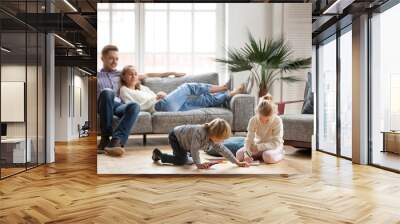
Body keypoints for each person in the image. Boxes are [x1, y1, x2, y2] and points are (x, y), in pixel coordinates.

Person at [97, 45, 185, 156]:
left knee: (134, 106)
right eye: (111, 58)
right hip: (104, 104)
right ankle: (105, 138)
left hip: (118, 105)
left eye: (117, 58)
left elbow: (147, 74)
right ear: (102, 58)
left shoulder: (120, 74)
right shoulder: (96, 76)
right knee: (107, 92)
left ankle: (115, 142)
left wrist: (171, 73)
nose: (114, 61)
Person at [118, 65, 245, 112]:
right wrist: (156, 98)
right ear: (123, 77)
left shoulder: (143, 88)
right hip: (159, 107)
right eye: (130, 74)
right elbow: (133, 107)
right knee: (188, 87)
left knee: (202, 101)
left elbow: (151, 80)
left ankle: (229, 94)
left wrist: (160, 93)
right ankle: (223, 87)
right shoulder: (124, 90)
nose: (134, 76)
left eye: (135, 73)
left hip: (166, 104)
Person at [151, 118, 250, 169]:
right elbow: (194, 149)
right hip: (176, 138)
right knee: (181, 160)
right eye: (221, 139)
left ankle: (182, 155)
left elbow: (223, 150)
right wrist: (198, 164)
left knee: (190, 160)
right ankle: (159, 155)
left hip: (187, 142)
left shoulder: (213, 138)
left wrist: (237, 162)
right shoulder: (199, 132)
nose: (222, 142)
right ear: (214, 135)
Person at [236, 94, 285, 164]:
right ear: (257, 113)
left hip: (273, 146)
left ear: (274, 114)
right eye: (260, 119)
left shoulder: (277, 120)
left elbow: (276, 143)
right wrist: (247, 154)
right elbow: (249, 140)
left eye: (267, 120)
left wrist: (258, 147)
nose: (263, 122)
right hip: (258, 145)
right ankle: (260, 156)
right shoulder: (253, 120)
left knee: (268, 157)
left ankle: (280, 153)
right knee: (239, 155)